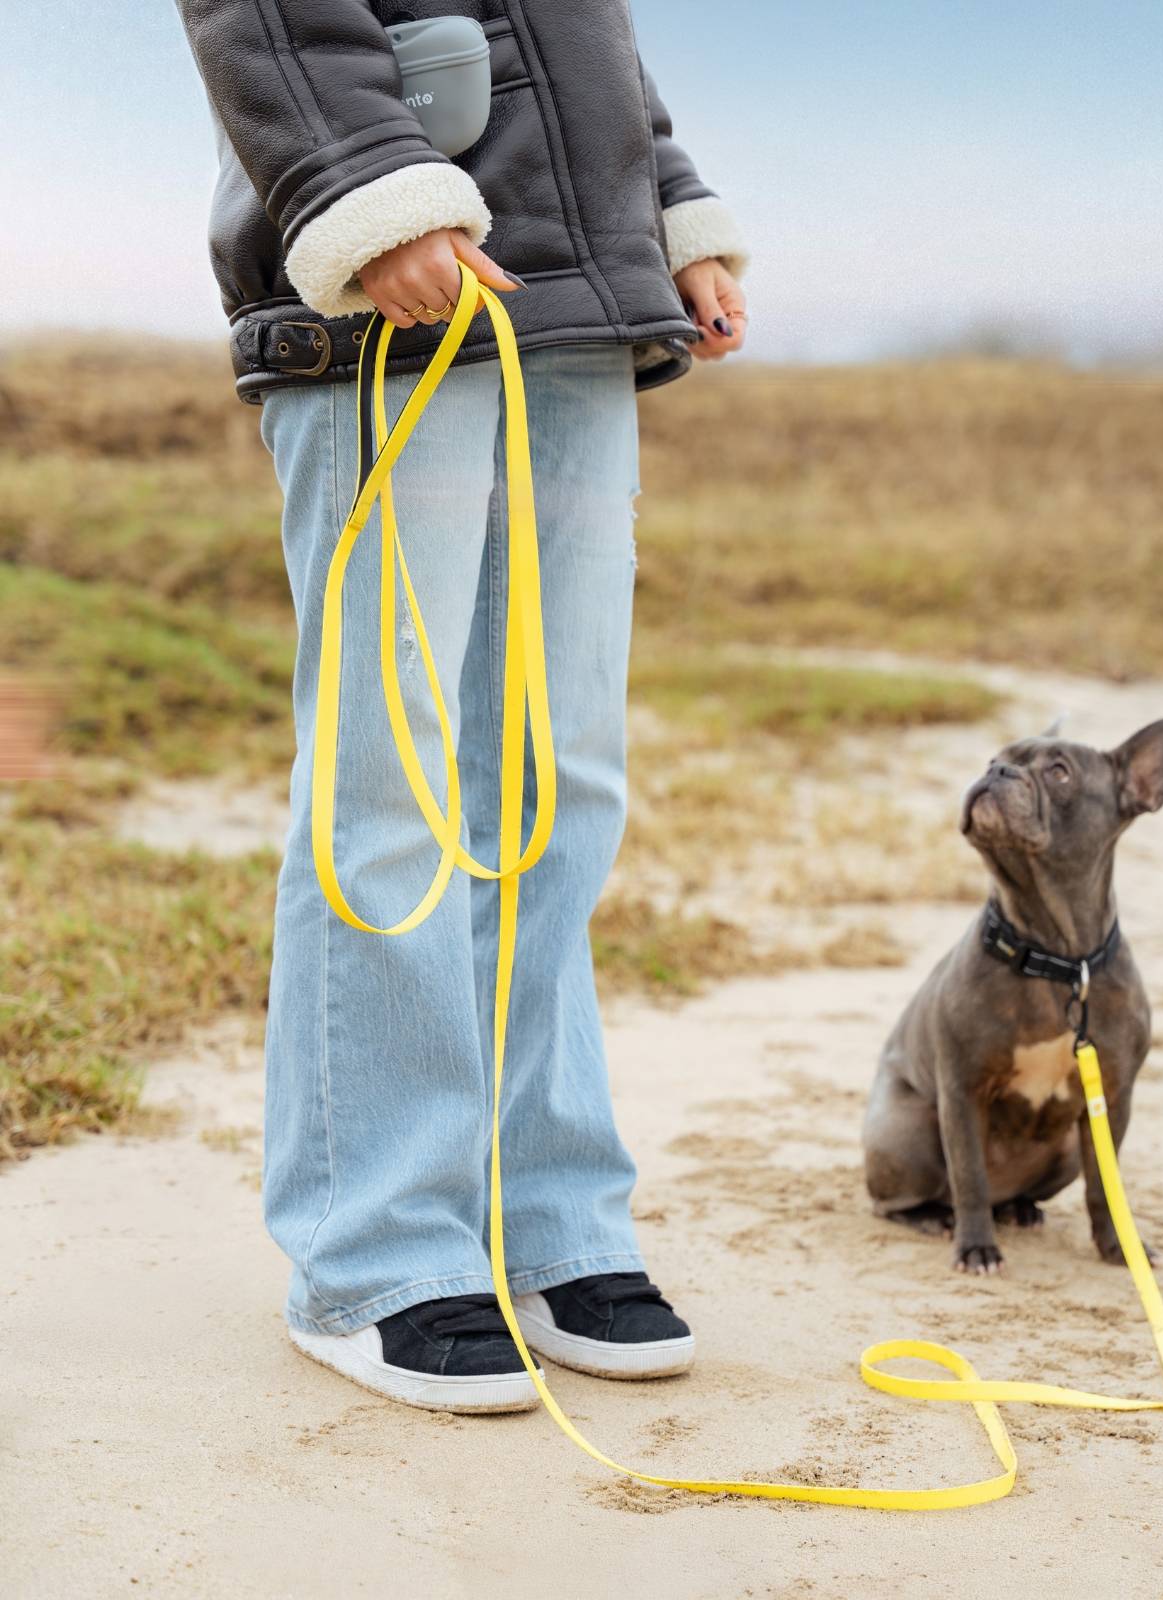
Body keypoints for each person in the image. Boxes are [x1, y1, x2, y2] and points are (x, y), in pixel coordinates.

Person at [176, 0, 748, 1413]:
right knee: (394, 779)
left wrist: (668, 203)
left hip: (578, 301)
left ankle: (545, 1216)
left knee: (561, 774)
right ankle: (376, 1248)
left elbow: (581, 39)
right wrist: (362, 185)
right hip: (387, 283)